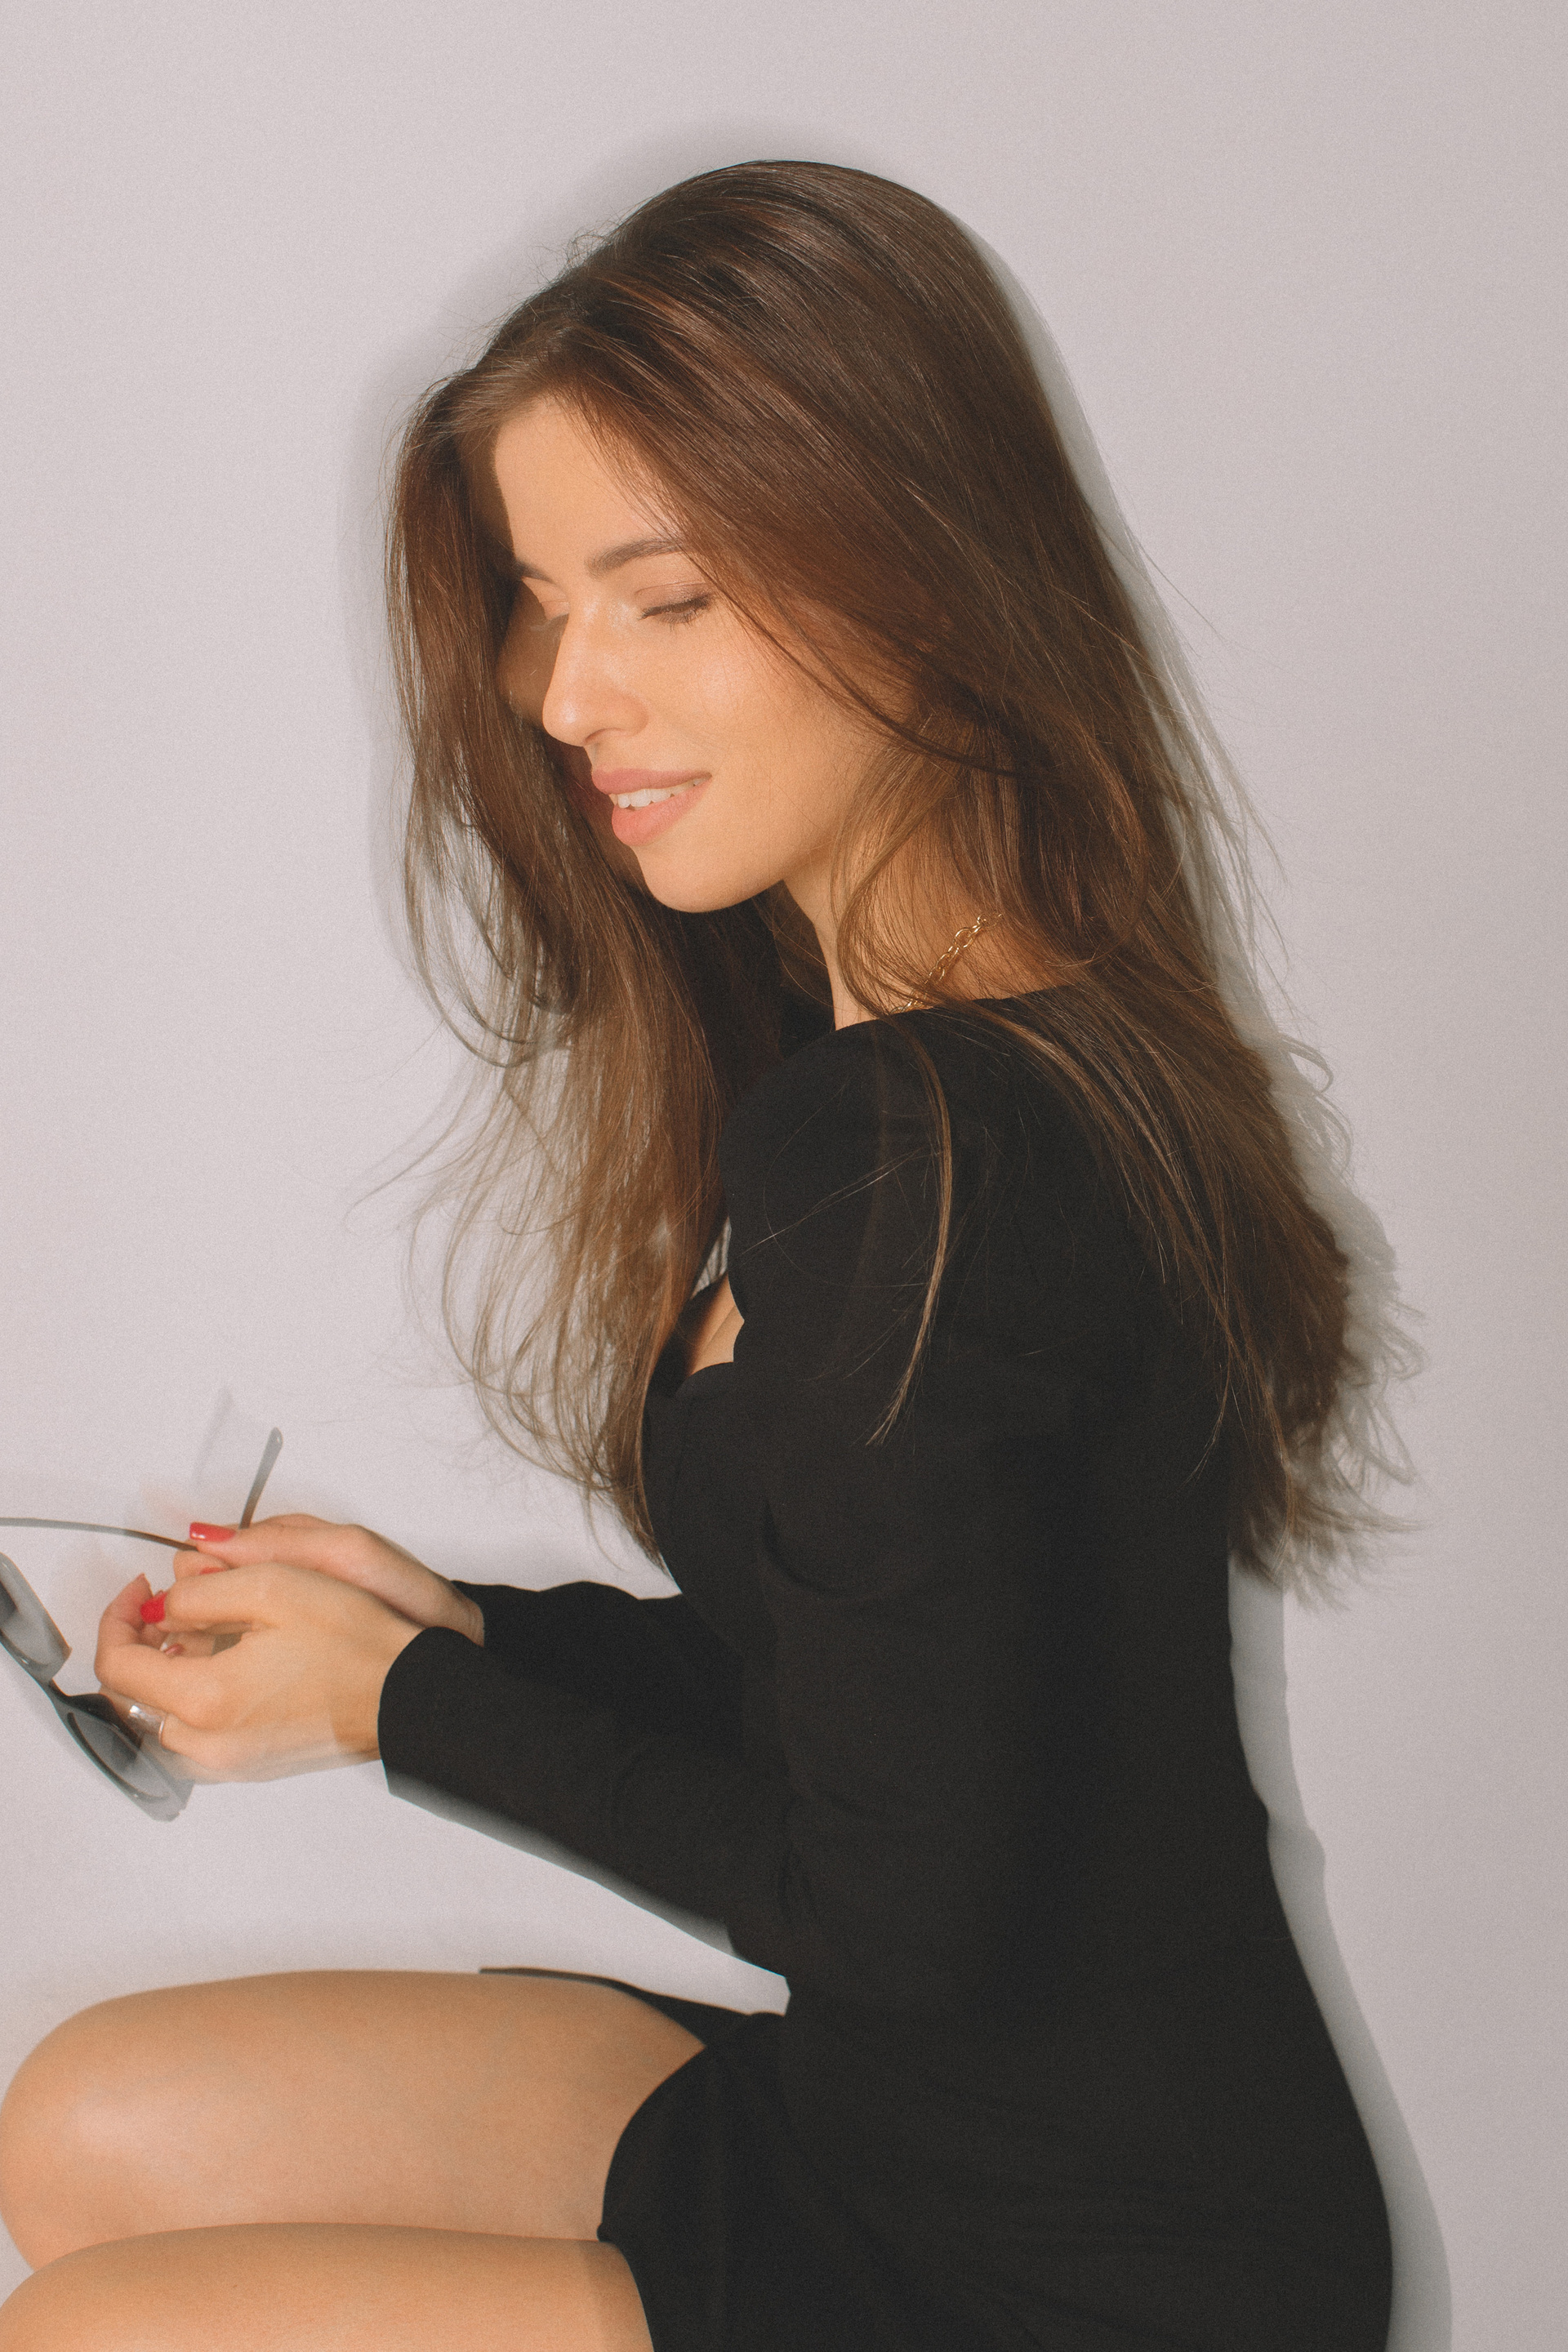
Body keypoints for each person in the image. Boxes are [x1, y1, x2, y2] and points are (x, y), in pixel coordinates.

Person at [0, 162, 1408, 2351]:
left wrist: (395, 1705)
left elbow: (889, 1905)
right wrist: (453, 1629)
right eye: (545, 605)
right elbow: (893, 1704)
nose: (569, 695)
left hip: (1082, 2273)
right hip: (901, 2125)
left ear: (921, 574)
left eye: (663, 601)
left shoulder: (918, 1144)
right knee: (83, 2129)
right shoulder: (967, 1055)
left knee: (92, 2333)